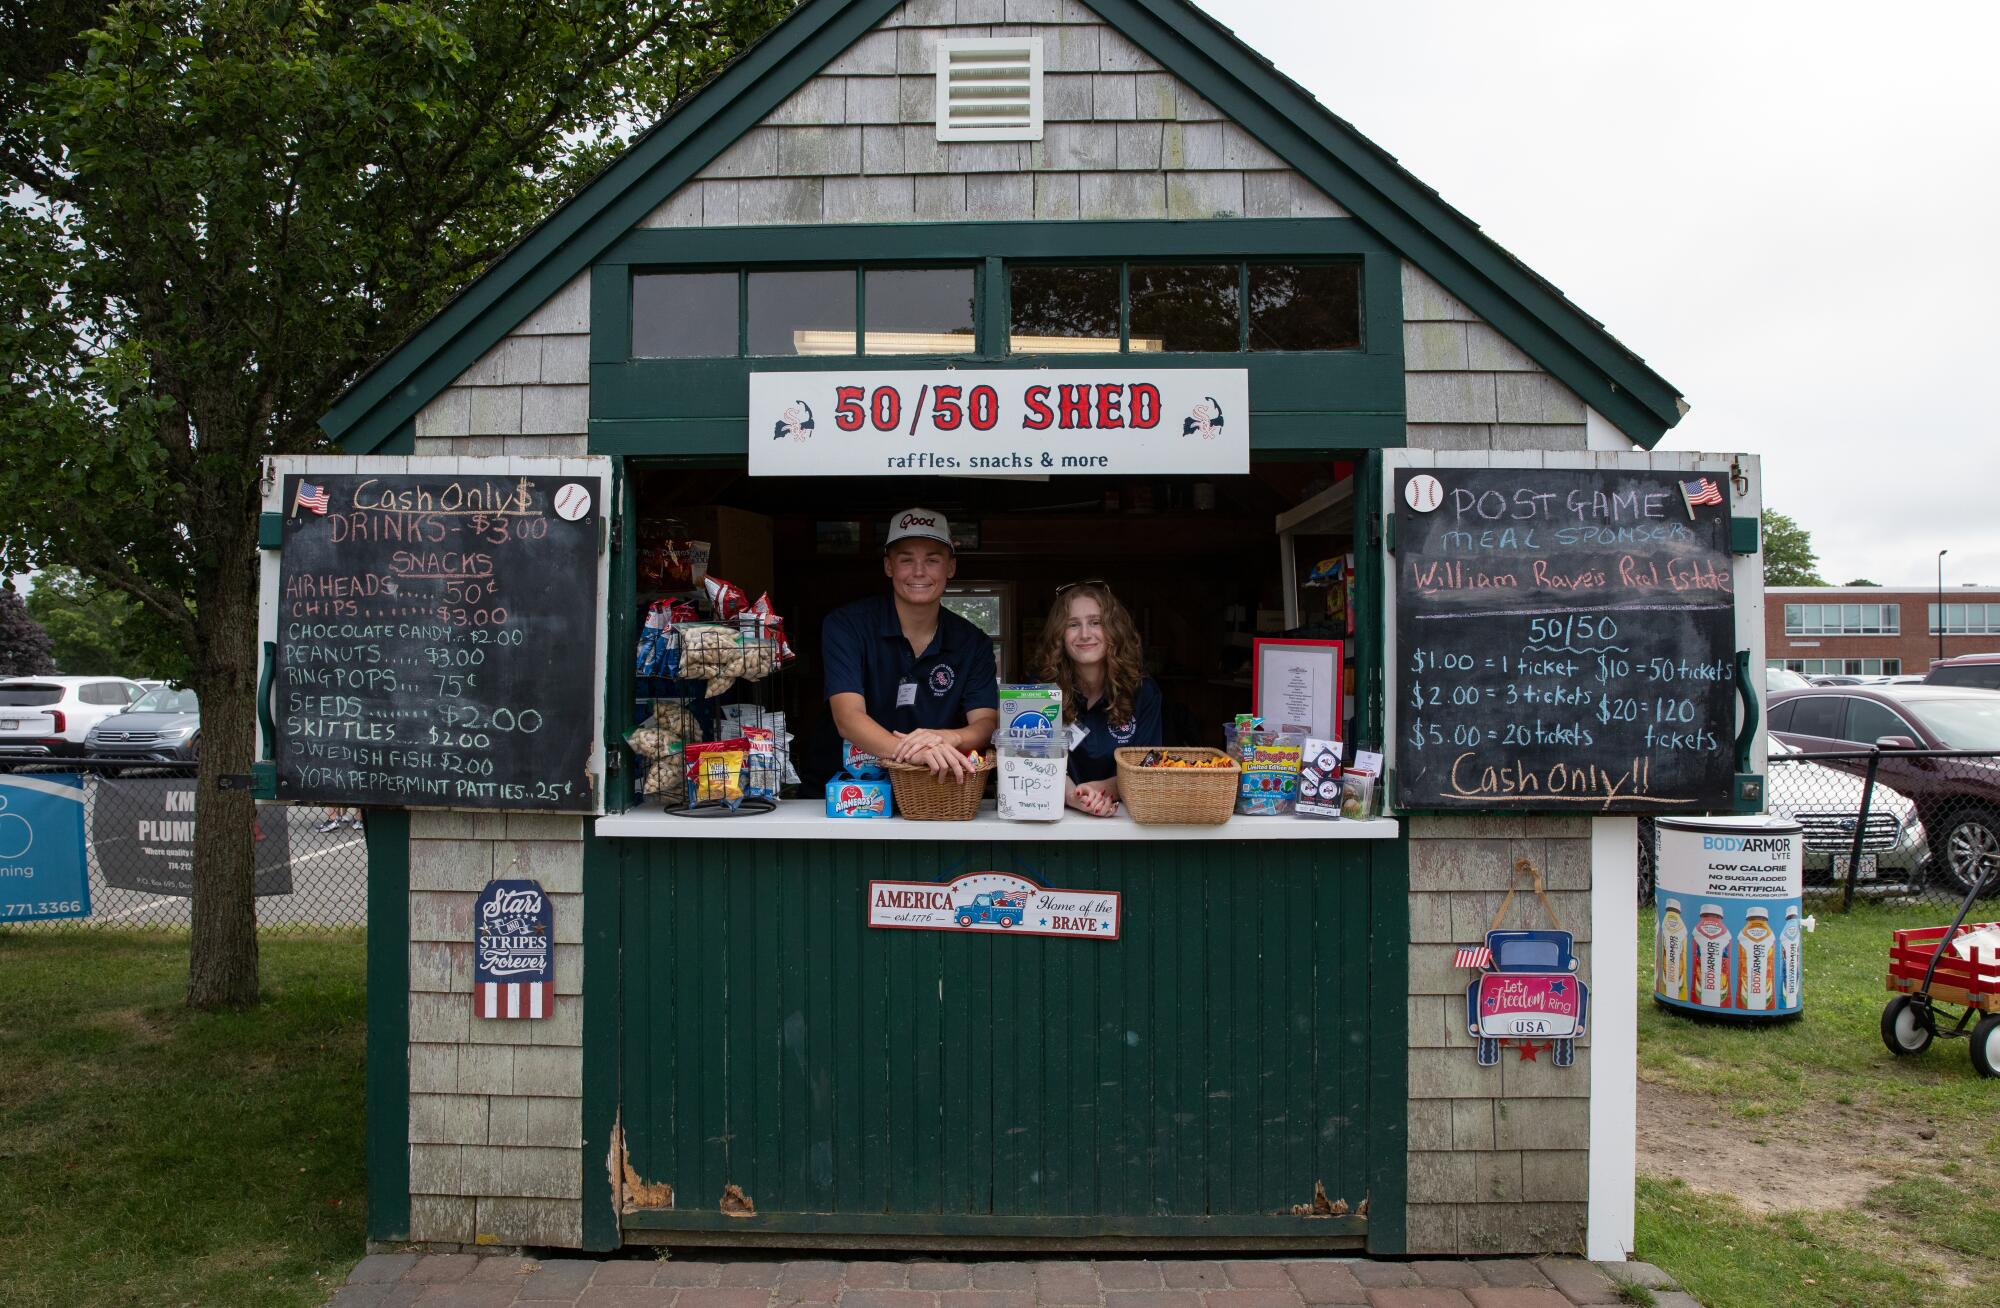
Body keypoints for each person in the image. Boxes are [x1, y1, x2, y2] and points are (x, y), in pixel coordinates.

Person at [822, 508, 997, 778]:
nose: (918, 572)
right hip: (853, 794)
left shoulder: (973, 642)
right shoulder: (847, 625)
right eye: (906, 560)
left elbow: (986, 723)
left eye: (932, 560)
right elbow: (847, 717)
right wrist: (915, 753)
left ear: (950, 567)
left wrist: (952, 738)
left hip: (935, 790)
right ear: (888, 566)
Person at [1032, 581, 1162, 816]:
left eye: (1095, 622)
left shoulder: (1143, 691)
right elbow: (1033, 761)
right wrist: (1075, 796)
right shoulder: (1040, 691)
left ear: (1114, 630)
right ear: (1059, 635)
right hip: (1058, 816)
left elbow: (1148, 766)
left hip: (1127, 821)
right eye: (1073, 624)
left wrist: (1102, 790)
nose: (1084, 634)